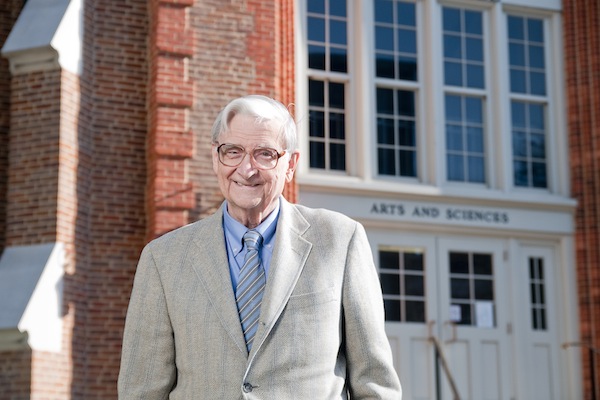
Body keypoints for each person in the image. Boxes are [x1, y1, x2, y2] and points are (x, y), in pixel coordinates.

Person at [118, 95, 402, 399]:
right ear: (216, 157)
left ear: (290, 164)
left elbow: (374, 383)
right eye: (233, 151)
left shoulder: (340, 241)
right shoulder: (163, 259)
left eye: (264, 154)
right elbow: (142, 390)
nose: (247, 169)